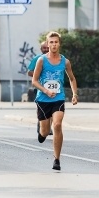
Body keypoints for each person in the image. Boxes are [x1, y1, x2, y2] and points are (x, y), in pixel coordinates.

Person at [32, 31, 79, 171]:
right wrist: (46, 91)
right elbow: (34, 81)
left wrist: (75, 94)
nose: (53, 44)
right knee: (45, 131)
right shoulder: (41, 60)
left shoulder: (65, 62)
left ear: (59, 44)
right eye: (51, 42)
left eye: (56, 42)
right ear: (47, 44)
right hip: (43, 99)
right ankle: (42, 134)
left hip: (58, 98)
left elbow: (72, 78)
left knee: (57, 125)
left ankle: (56, 159)